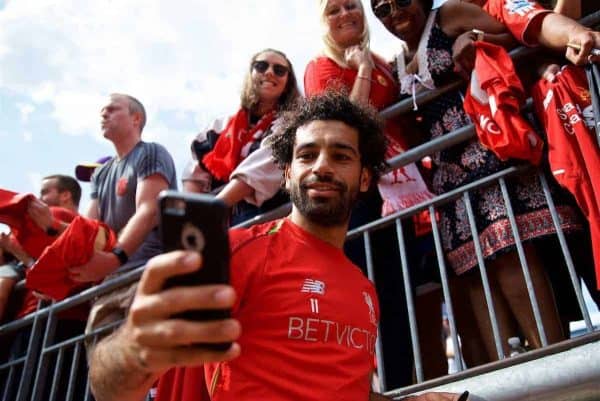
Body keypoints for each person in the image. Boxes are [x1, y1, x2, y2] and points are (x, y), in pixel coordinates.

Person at [87, 92, 465, 401]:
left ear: (365, 178)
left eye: (341, 156)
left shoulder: (363, 287)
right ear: (286, 175)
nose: (321, 167)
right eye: (307, 155)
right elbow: (109, 387)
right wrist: (132, 350)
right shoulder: (235, 252)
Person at [370, 0, 587, 361]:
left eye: (401, 1)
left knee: (509, 253)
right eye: (381, 9)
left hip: (489, 151)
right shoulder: (396, 60)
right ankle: (510, 372)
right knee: (472, 269)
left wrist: (476, 36)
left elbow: (517, 38)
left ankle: (555, 362)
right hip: (448, 176)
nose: (394, 12)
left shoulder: (450, 15)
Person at [183, 48, 300, 225]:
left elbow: (261, 170)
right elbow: (195, 175)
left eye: (279, 70)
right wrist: (190, 216)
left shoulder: (290, 125)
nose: (269, 72)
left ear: (287, 83)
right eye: (261, 66)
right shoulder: (219, 126)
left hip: (260, 217)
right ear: (250, 74)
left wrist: (212, 210)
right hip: (210, 217)